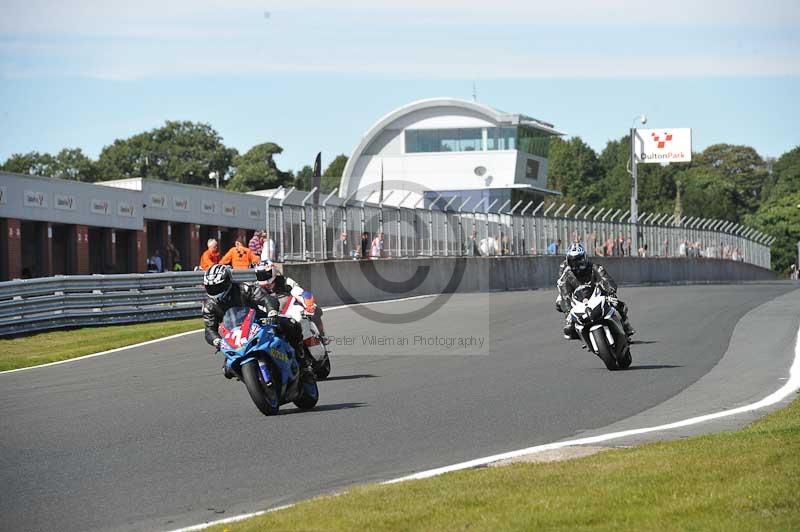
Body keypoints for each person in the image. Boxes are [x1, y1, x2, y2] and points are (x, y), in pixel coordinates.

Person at [202, 264, 314, 381]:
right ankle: (254, 380)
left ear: (228, 281)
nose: (215, 291)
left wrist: (271, 311)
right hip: (234, 336)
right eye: (211, 288)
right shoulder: (209, 306)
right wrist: (216, 340)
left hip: (258, 322)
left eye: (218, 287)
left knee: (290, 324)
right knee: (228, 370)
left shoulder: (243, 288)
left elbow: (265, 298)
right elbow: (209, 328)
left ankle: (302, 359)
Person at [555, 243, 635, 340]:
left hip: (597, 294)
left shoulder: (595, 267)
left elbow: (606, 279)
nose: (577, 265)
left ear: (585, 258)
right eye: (573, 262)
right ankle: (581, 334)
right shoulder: (566, 275)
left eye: (579, 260)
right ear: (568, 261)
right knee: (567, 322)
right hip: (579, 300)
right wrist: (567, 312)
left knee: (617, 304)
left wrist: (611, 291)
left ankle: (625, 325)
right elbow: (564, 294)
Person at [254, 260, 326, 338]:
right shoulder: (256, 288)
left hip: (288, 311)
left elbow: (301, 292)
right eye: (260, 275)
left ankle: (321, 334)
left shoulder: (285, 282)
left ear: (273, 272)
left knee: (316, 310)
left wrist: (309, 306)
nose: (263, 278)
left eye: (265, 275)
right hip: (269, 315)